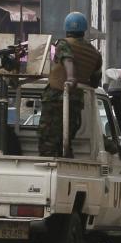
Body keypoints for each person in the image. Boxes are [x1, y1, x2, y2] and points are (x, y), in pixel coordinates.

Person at [39, 12, 103, 157]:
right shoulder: (95, 53)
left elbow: (68, 59)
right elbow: (95, 82)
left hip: (55, 99)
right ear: (84, 30)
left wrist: (71, 77)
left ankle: (52, 168)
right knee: (65, 140)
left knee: (48, 143)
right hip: (75, 103)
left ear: (66, 29)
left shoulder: (63, 44)